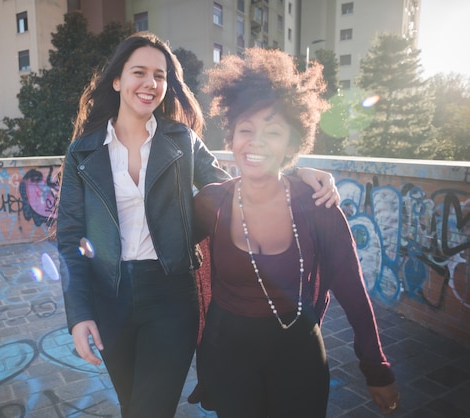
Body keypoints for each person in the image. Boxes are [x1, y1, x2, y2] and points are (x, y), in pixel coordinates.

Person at [56, 32, 339, 418]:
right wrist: (79, 314)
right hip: (109, 298)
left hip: (171, 296)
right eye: (139, 72)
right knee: (132, 404)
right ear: (117, 80)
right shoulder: (83, 151)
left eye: (161, 75)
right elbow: (71, 237)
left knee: (150, 409)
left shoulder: (181, 141)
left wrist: (295, 173)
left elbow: (233, 188)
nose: (151, 83)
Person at [189, 48, 400, 417]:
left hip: (299, 357)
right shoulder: (211, 202)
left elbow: (352, 290)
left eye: (272, 131)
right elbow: (163, 252)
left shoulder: (316, 206)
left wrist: (377, 369)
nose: (255, 142)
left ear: (292, 143)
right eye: (245, 129)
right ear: (232, 137)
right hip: (226, 358)